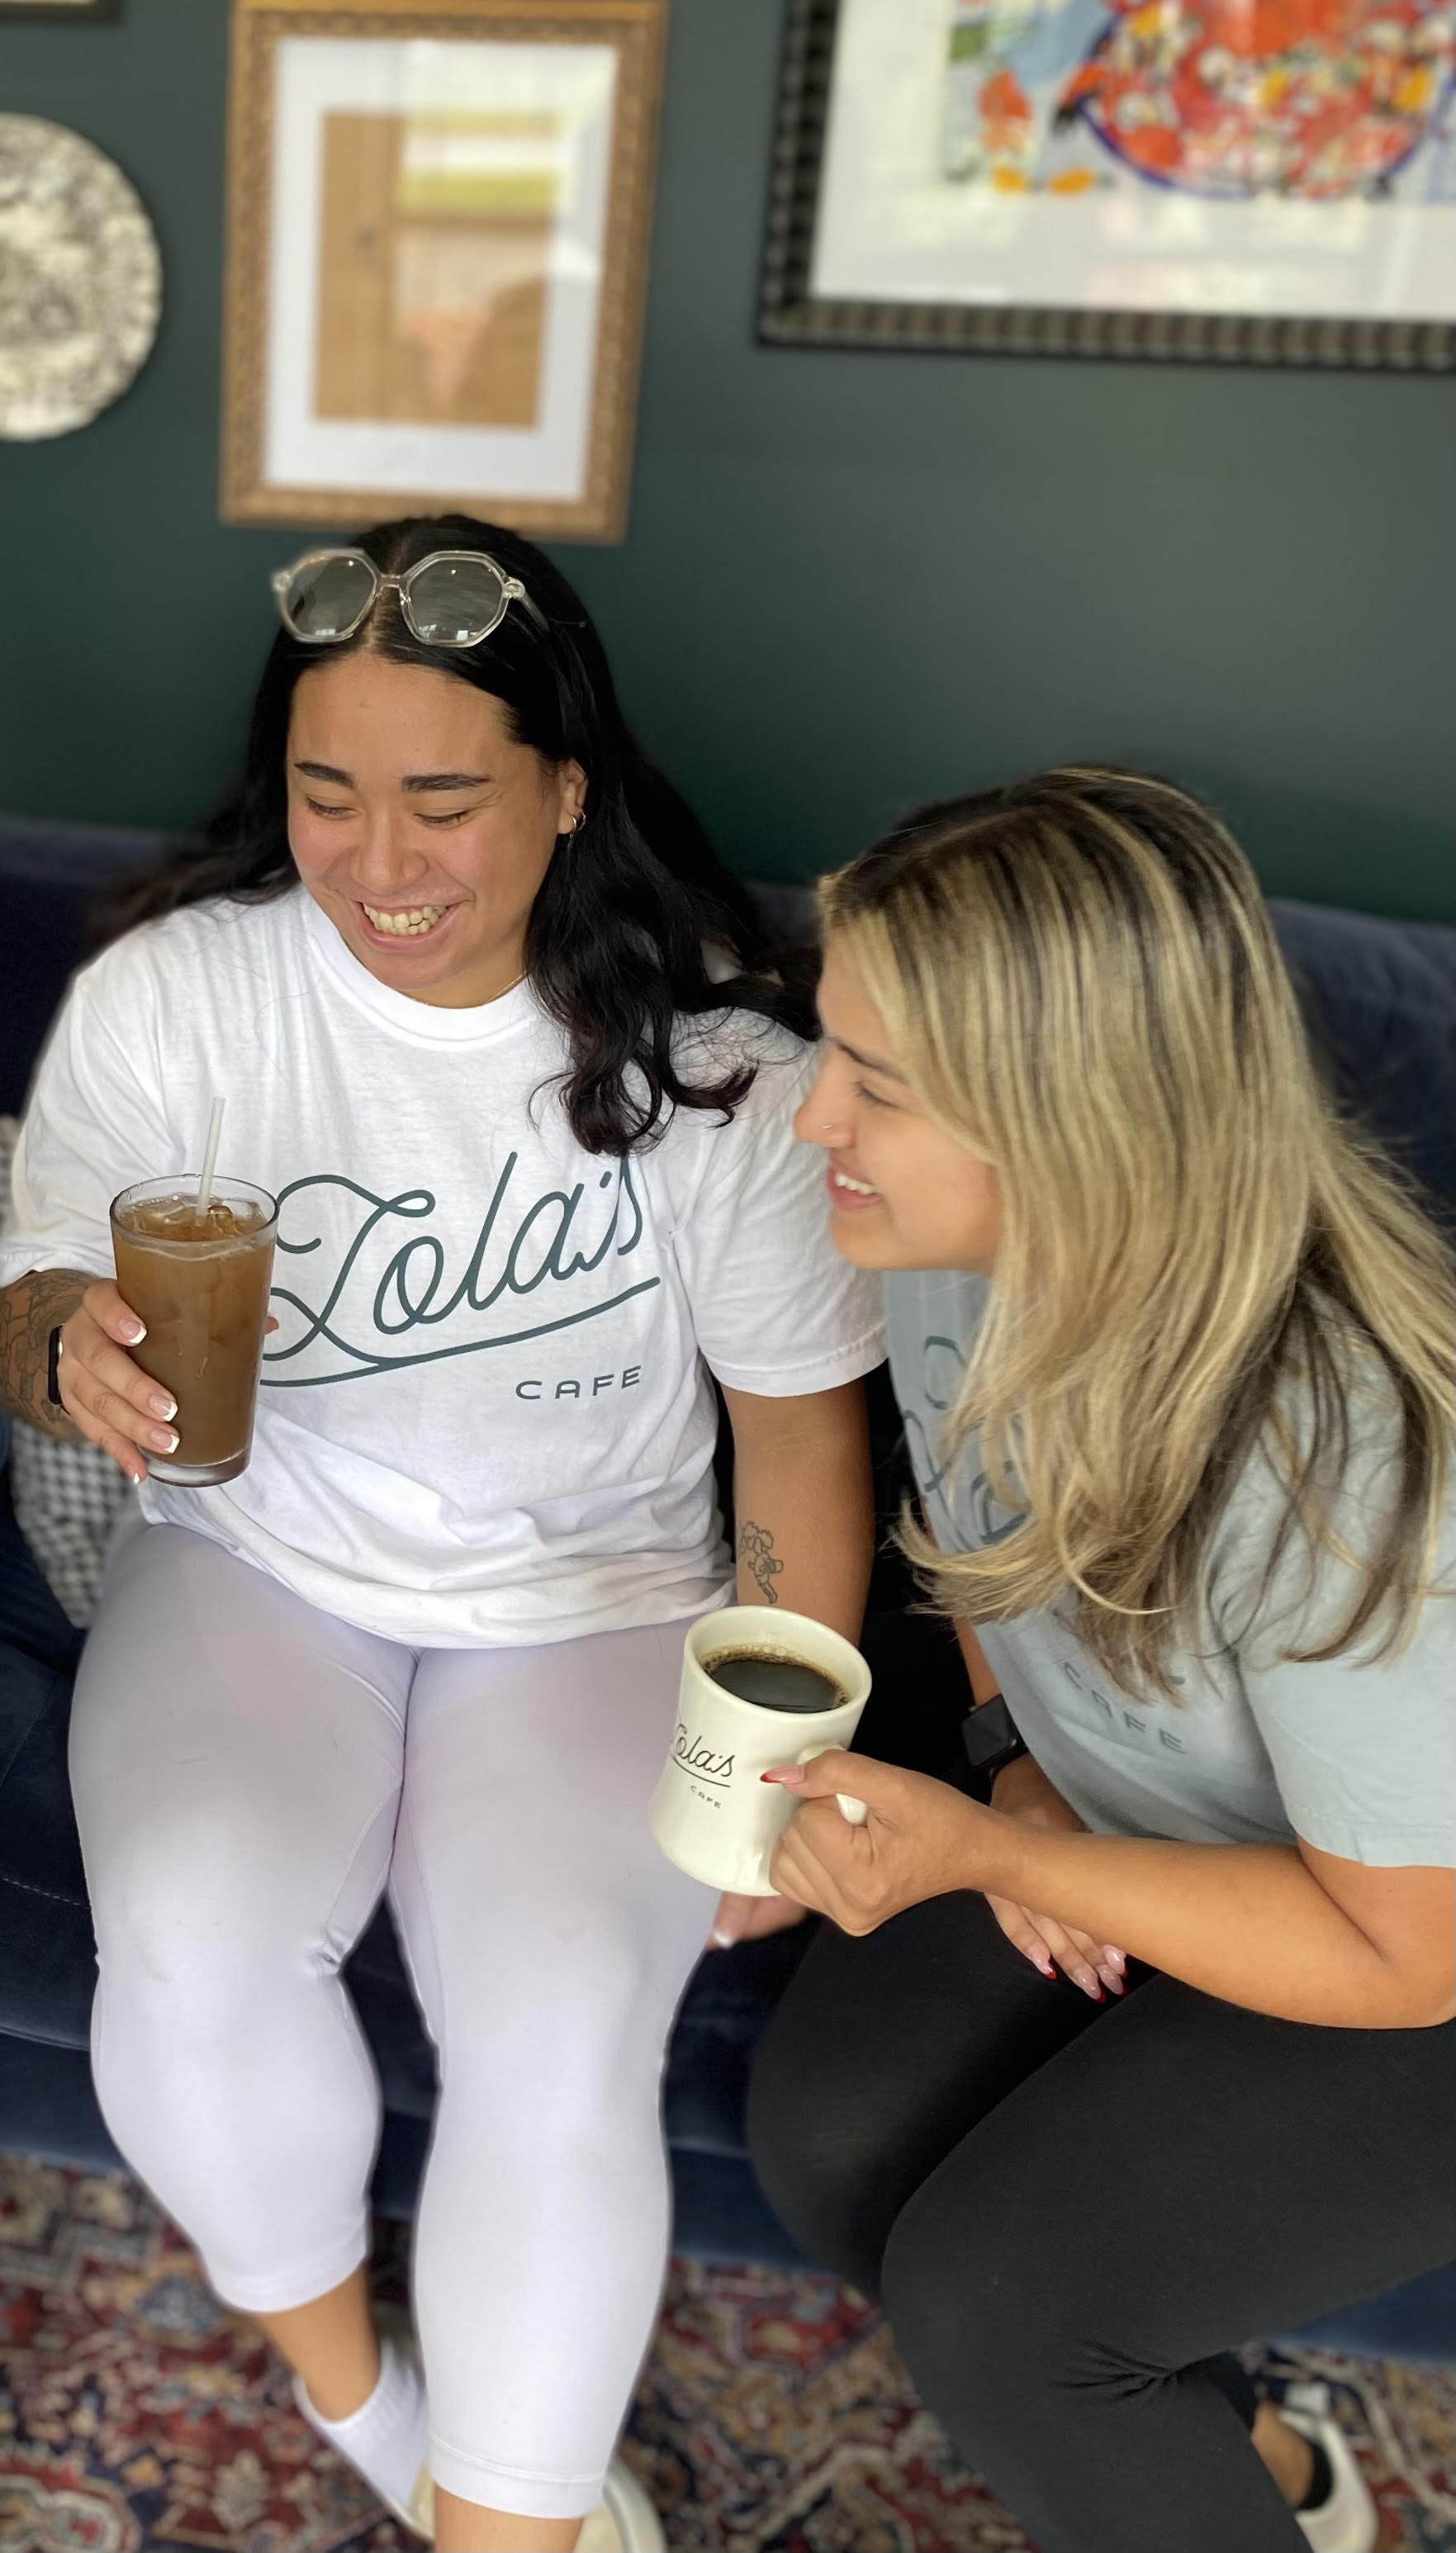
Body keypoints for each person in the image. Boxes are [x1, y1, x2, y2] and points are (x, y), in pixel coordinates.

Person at [0, 516, 884, 2553]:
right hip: (255, 1566)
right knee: (187, 1938)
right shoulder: (179, 996)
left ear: (566, 790)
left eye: (443, 798)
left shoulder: (723, 1067)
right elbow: (32, 1299)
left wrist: (772, 1768)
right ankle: (365, 2402)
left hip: (599, 1605)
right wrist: (69, 1356)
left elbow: (799, 1452)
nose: (377, 859)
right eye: (326, 793)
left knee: (561, 2023)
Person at [746, 768, 1455, 2553]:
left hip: (1413, 1950)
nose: (814, 1114)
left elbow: (1405, 1952)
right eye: (831, 1049)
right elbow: (981, 1538)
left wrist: (1003, 1856)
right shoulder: (947, 1244)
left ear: (1064, 1120)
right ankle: (1263, 2469)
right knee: (831, 2146)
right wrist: (1013, 1766)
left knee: (1010, 2315)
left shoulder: (1338, 1456)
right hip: (1163, 1835)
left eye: (875, 1084)